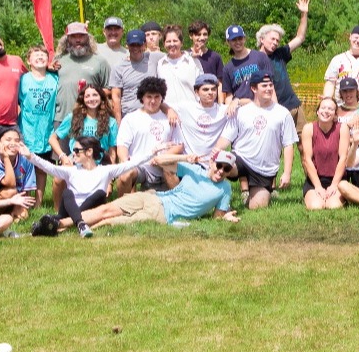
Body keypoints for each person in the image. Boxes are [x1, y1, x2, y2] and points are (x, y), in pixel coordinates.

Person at [80, 151, 243, 228]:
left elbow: (216, 218)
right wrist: (184, 158)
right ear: (212, 163)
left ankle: (79, 228)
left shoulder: (224, 189)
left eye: (226, 169)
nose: (221, 171)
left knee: (110, 221)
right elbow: (158, 160)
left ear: (230, 172)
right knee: (106, 209)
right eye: (219, 166)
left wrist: (225, 218)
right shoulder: (193, 170)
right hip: (153, 197)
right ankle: (61, 222)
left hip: (162, 214)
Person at [28, 134, 143, 237]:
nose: (73, 153)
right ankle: (80, 224)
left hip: (90, 209)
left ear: (89, 152)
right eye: (73, 150)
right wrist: (30, 156)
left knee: (100, 194)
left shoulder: (105, 171)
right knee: (67, 193)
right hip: (70, 209)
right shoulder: (72, 171)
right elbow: (49, 167)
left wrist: (153, 153)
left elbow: (132, 164)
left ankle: (51, 223)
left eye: (77, 150)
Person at [231, 74, 298, 210]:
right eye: (264, 86)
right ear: (254, 88)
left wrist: (287, 173)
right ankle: (219, 202)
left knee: (257, 207)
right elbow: (227, 138)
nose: (268, 89)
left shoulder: (283, 113)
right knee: (220, 166)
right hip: (241, 159)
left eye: (270, 85)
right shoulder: (242, 112)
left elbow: (288, 145)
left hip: (264, 170)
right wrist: (215, 153)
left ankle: (253, 195)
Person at [114, 78, 180, 192]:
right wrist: (126, 162)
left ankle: (181, 204)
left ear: (162, 98)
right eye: (149, 97)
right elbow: (121, 146)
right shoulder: (130, 118)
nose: (153, 101)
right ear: (142, 98)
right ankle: (123, 207)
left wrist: (162, 158)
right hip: (140, 167)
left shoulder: (170, 117)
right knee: (125, 175)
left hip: (164, 165)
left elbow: (179, 145)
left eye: (157, 97)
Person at [54, 22, 113, 124]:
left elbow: (110, 89)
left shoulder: (100, 61)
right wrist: (47, 67)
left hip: (90, 120)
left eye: (81, 36)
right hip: (61, 119)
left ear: (88, 38)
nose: (78, 40)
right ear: (67, 39)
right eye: (73, 36)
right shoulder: (58, 61)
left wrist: (91, 94)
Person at [258, 0, 310, 111]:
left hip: (294, 106)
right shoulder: (254, 60)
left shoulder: (280, 54)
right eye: (272, 39)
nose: (275, 42)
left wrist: (304, 14)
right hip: (273, 110)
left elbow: (300, 37)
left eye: (277, 40)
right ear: (262, 39)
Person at [301, 98, 353, 210]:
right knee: (316, 207)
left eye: (330, 109)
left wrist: (334, 185)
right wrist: (318, 187)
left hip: (336, 179)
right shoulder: (308, 128)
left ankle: (335, 195)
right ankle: (312, 195)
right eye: (323, 108)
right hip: (315, 180)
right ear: (317, 111)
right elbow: (307, 159)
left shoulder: (343, 128)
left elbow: (343, 158)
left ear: (335, 114)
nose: (326, 111)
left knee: (333, 206)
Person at [0, 128, 41, 223]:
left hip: (18, 198)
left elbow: (27, 189)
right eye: (8, 140)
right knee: (10, 192)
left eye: (17, 140)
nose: (13, 143)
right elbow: (10, 183)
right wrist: (6, 157)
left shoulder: (26, 160)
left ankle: (10, 215)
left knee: (23, 216)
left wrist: (23, 207)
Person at [50, 84, 117, 163]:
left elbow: (112, 150)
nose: (91, 99)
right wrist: (63, 157)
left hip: (99, 165)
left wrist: (110, 170)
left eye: (95, 95)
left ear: (101, 98)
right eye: (87, 96)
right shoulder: (73, 118)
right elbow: (52, 139)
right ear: (83, 100)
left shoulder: (111, 121)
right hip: (76, 164)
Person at [17, 46, 60, 160]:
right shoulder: (22, 80)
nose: (40, 57)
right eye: (36, 55)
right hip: (26, 134)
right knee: (24, 170)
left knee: (41, 171)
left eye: (43, 55)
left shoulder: (56, 79)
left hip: (47, 134)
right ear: (28, 61)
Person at [105, 29, 160, 116]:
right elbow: (116, 98)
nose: (135, 48)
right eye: (132, 45)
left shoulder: (154, 58)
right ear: (127, 46)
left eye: (138, 45)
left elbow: (174, 55)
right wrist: (119, 125)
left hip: (152, 114)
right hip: (129, 115)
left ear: (144, 45)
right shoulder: (118, 67)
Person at [221, 25, 277, 104]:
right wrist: (228, 110)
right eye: (234, 39)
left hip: (261, 105)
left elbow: (271, 85)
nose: (237, 42)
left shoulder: (260, 57)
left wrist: (275, 107)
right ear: (228, 42)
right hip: (240, 108)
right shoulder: (227, 68)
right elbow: (229, 95)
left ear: (244, 38)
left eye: (240, 38)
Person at [155, 26, 204, 115]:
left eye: (175, 41)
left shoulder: (193, 61)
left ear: (181, 43)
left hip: (192, 114)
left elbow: (202, 86)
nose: (172, 44)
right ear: (164, 44)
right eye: (168, 41)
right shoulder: (160, 64)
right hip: (167, 115)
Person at [186, 20, 225, 84]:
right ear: (191, 36)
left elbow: (220, 83)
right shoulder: (184, 56)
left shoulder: (215, 57)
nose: (202, 38)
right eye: (198, 34)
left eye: (205, 34)